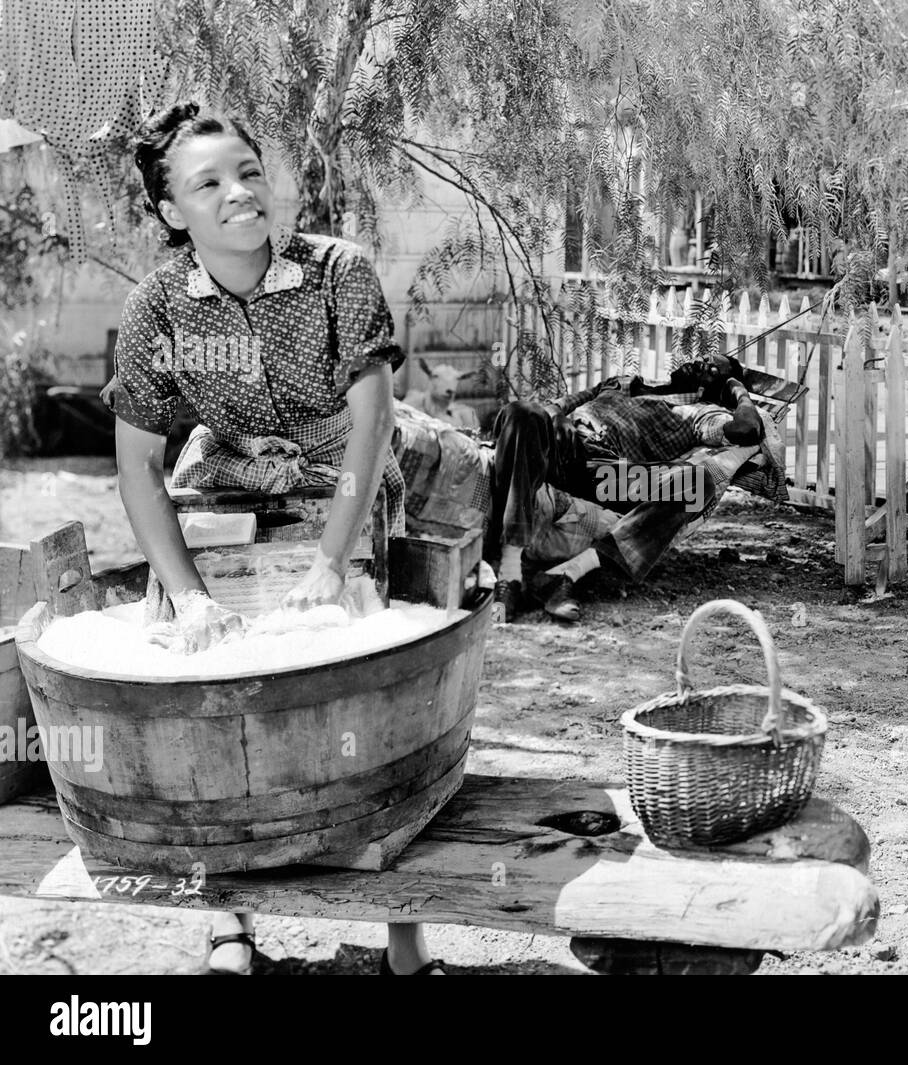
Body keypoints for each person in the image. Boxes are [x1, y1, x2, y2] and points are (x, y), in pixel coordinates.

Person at [107, 102, 448, 975]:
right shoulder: (155, 310)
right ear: (171, 213)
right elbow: (141, 468)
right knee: (210, 682)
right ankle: (229, 917)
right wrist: (189, 592)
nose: (239, 193)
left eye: (250, 172)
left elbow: (372, 425)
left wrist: (331, 564)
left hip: (344, 473)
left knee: (363, 676)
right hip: (225, 472)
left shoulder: (339, 273)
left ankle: (399, 923)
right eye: (208, 183)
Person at [486, 353, 769, 622]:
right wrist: (556, 418)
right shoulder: (621, 383)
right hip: (561, 449)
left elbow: (747, 429)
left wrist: (737, 389)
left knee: (696, 484)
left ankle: (566, 573)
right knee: (520, 411)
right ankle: (510, 573)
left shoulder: (700, 413)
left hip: (607, 476)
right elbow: (555, 405)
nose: (700, 363)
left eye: (713, 369)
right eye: (704, 358)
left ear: (718, 387)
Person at [405, 360, 482, 432]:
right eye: (436, 377)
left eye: (457, 379)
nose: (450, 387)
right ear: (431, 379)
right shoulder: (412, 406)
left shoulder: (465, 414)